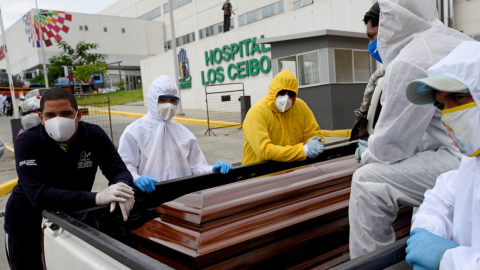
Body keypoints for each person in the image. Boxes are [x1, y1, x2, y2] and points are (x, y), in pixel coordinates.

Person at [349, 0, 473, 259]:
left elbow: (390, 146)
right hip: (463, 153)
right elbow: (426, 131)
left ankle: (372, 264)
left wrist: (369, 153)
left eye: (373, 36)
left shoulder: (409, 60)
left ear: (390, 26)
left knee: (367, 180)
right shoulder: (451, 39)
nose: (372, 45)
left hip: (461, 156)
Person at [4, 88, 135, 270]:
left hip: (73, 221)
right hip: (26, 225)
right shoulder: (28, 142)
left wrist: (122, 186)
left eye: (66, 113)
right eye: (51, 115)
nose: (58, 120)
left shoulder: (93, 135)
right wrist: (97, 198)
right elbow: (39, 195)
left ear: (78, 115)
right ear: (41, 117)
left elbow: (119, 170)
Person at [404, 41, 480, 270]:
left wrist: (446, 259)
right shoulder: (472, 160)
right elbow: (443, 196)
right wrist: (428, 231)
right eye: (441, 105)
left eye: (458, 99)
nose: (448, 115)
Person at [118, 76, 232, 193]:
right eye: (162, 100)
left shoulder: (184, 133)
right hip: (150, 196)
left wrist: (211, 169)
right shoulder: (134, 132)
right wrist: (136, 178)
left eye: (173, 101)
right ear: (152, 99)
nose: (169, 105)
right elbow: (124, 168)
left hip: (183, 194)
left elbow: (197, 166)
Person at [242, 70, 325, 165]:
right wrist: (303, 150)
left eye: (291, 94)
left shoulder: (301, 107)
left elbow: (313, 134)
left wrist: (315, 144)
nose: (286, 98)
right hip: (258, 173)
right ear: (273, 91)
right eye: (282, 92)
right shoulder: (257, 113)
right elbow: (264, 151)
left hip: (291, 169)